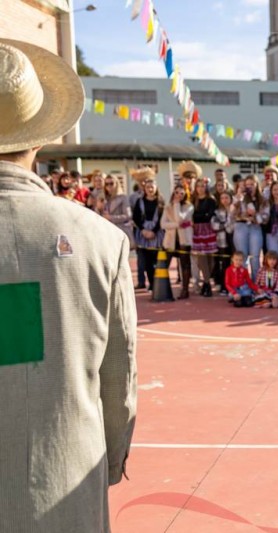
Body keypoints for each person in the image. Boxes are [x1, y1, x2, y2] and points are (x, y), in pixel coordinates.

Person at [0, 38, 136, 533]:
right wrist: (111, 458)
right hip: (66, 482)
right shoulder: (100, 238)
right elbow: (118, 382)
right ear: (40, 138)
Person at [132, 177, 165, 291]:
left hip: (156, 234)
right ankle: (151, 283)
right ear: (144, 189)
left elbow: (162, 218)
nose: (150, 189)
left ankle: (157, 283)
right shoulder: (139, 201)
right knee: (146, 262)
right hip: (143, 234)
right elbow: (135, 217)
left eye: (152, 187)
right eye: (147, 187)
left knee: (156, 260)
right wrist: (143, 230)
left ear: (156, 187)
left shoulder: (161, 201)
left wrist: (153, 232)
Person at [161, 185, 194, 300]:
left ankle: (185, 290)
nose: (179, 195)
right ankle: (163, 289)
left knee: (185, 265)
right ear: (173, 193)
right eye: (177, 193)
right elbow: (163, 224)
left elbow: (180, 218)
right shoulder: (167, 207)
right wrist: (176, 225)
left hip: (184, 240)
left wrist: (176, 205)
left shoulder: (189, 207)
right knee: (164, 265)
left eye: (182, 193)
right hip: (170, 240)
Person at [191, 178, 218, 297]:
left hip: (208, 229)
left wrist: (199, 216)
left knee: (210, 259)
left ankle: (206, 283)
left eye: (203, 186)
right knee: (201, 258)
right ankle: (207, 284)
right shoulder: (193, 200)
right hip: (196, 231)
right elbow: (193, 215)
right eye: (198, 186)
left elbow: (209, 215)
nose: (200, 188)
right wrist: (201, 216)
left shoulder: (211, 200)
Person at [211, 191, 235, 296]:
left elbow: (235, 225)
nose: (224, 200)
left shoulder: (235, 210)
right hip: (222, 240)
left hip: (234, 239)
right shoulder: (217, 212)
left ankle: (235, 285)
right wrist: (226, 224)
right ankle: (224, 286)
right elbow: (214, 225)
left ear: (231, 199)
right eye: (222, 198)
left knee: (235, 263)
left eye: (227, 197)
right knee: (224, 263)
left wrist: (223, 225)